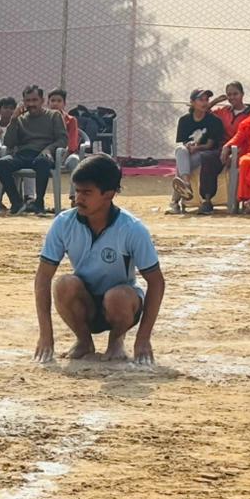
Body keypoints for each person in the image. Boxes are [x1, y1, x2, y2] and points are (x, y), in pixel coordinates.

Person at [33, 155, 165, 365]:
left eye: (87, 193)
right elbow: (43, 277)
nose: (78, 199)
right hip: (85, 302)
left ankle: (116, 341)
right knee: (64, 284)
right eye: (77, 191)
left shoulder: (132, 228)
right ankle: (84, 341)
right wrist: (45, 334)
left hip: (122, 304)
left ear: (109, 194)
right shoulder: (63, 223)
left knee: (117, 297)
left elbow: (156, 281)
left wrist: (143, 338)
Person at [0, 85, 67, 215]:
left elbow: (62, 140)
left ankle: (38, 203)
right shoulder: (20, 119)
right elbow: (9, 143)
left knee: (42, 162)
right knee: (1, 163)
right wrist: (13, 120)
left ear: (42, 101)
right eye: (28, 101)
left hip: (44, 155)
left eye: (35, 100)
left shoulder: (53, 116)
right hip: (23, 155)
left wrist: (48, 150)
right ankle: (17, 203)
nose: (31, 104)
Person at [170, 88, 226, 214]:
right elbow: (183, 142)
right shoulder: (184, 120)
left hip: (205, 154)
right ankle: (186, 184)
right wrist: (189, 145)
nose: (205, 102)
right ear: (192, 102)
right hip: (188, 153)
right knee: (180, 150)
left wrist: (197, 147)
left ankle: (175, 201)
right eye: (201, 99)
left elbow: (210, 145)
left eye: (207, 99)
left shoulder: (214, 121)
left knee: (182, 164)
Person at [48, 88, 81, 173]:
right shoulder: (42, 119)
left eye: (59, 101)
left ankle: (75, 186)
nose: (55, 103)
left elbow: (72, 142)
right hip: (46, 153)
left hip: (65, 154)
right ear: (48, 103)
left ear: (64, 104)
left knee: (74, 160)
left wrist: (65, 153)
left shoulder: (71, 120)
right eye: (52, 100)